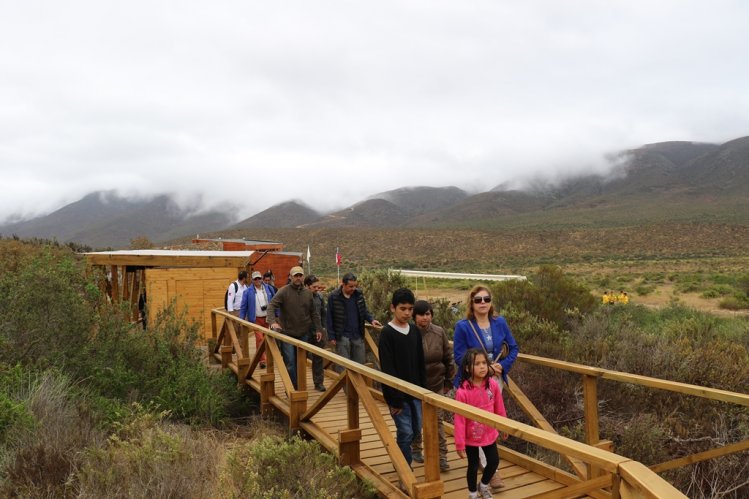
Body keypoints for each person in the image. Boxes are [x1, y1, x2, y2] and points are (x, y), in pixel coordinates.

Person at [452, 285, 519, 490]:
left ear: (491, 302)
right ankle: (492, 471)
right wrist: (481, 368)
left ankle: (490, 465)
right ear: (471, 303)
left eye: (486, 299)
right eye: (478, 300)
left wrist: (502, 366)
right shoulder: (463, 326)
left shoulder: (500, 322)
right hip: (472, 384)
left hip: (494, 381)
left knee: (491, 421)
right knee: (474, 422)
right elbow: (459, 356)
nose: (483, 303)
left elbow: (514, 347)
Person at [378, 288, 426, 468]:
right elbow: (387, 368)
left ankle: (407, 457)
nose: (407, 313)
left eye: (410, 309)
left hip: (415, 393)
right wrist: (394, 400)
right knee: (405, 432)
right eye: (403, 308)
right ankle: (404, 468)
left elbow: (420, 362)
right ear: (393, 308)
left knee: (415, 429)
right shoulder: (387, 333)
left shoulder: (414, 331)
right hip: (398, 396)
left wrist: (423, 390)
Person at [455, 348, 507, 499]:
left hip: (489, 432)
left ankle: (483, 485)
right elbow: (459, 419)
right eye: (477, 364)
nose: (482, 367)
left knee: (494, 461)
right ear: (467, 368)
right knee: (472, 465)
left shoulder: (492, 385)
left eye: (484, 363)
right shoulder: (462, 392)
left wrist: (504, 425)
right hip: (471, 436)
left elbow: (499, 407)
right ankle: (472, 494)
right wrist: (460, 443)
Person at [410, 300, 456, 472]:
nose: (425, 318)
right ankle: (416, 449)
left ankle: (442, 457)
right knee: (416, 420)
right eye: (421, 314)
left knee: (437, 421)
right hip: (414, 386)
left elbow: (448, 357)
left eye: (428, 314)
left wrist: (448, 381)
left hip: (436, 384)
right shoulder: (409, 333)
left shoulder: (439, 332)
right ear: (414, 316)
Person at [267, 266, 324, 389]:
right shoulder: (283, 291)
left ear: (303, 277)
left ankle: (299, 385)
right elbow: (271, 306)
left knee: (301, 362)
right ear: (290, 277)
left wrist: (319, 329)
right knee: (291, 363)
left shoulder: (308, 293)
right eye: (295, 276)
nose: (298, 278)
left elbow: (314, 313)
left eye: (300, 275)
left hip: (304, 333)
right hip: (287, 333)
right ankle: (293, 388)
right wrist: (272, 322)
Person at [326, 272, 382, 369]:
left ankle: (357, 384)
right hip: (342, 335)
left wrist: (371, 320)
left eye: (355, 286)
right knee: (343, 365)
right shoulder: (333, 296)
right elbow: (329, 317)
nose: (353, 289)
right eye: (350, 286)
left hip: (357, 334)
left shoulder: (358, 294)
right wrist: (331, 336)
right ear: (343, 284)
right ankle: (344, 384)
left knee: (359, 365)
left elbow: (363, 310)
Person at [240, 270, 276, 369]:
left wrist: (277, 315)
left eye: (259, 278)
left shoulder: (269, 288)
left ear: (261, 279)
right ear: (252, 280)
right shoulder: (247, 292)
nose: (257, 280)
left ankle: (266, 357)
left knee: (266, 339)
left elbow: (274, 302)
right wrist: (241, 319)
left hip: (267, 318)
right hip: (255, 319)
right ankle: (262, 360)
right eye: (255, 278)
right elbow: (243, 307)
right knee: (259, 339)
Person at [304, 274, 327, 392]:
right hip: (304, 332)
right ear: (307, 286)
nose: (317, 289)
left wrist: (323, 328)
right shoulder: (301, 297)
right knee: (301, 358)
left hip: (317, 331)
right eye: (314, 287)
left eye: (318, 287)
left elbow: (323, 313)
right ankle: (299, 383)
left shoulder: (320, 297)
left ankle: (319, 383)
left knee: (318, 358)